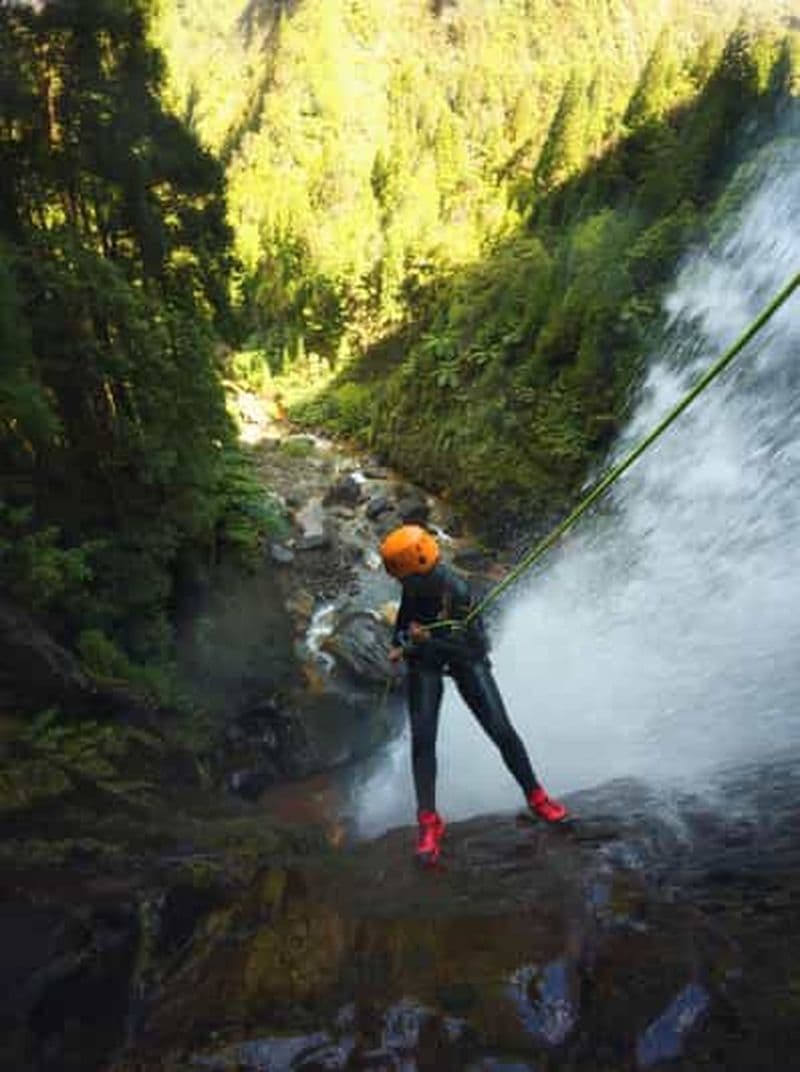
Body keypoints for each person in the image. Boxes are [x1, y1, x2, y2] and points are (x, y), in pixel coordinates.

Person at [380, 524, 567, 865]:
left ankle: (536, 795)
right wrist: (402, 643)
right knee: (423, 740)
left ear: (418, 570)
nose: (401, 584)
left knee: (500, 729)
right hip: (425, 661)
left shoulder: (458, 589)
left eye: (403, 577)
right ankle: (428, 820)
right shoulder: (414, 587)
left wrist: (427, 640)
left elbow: (477, 646)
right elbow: (403, 627)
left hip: (465, 659)